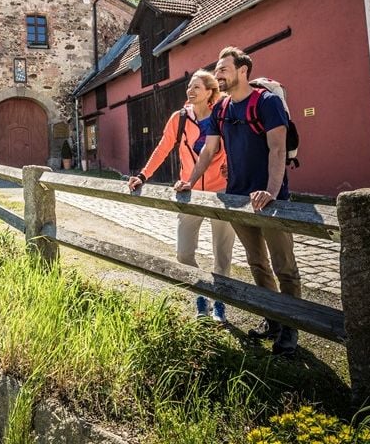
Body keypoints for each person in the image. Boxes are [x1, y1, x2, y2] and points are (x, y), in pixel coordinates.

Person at [178, 47, 301, 356]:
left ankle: (292, 327)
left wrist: (270, 191)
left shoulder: (267, 102)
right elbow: (208, 150)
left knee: (284, 266)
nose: (217, 74)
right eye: (216, 70)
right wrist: (189, 181)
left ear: (243, 70)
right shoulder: (221, 109)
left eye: (223, 69)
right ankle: (273, 320)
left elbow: (277, 149)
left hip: (272, 201)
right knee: (257, 262)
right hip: (236, 199)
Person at [127, 70, 236, 322]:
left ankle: (220, 303)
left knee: (222, 254)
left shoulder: (222, 116)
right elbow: (162, 148)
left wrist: (233, 169)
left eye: (196, 86)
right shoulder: (180, 118)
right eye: (189, 86)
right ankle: (201, 294)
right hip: (189, 192)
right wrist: (143, 175)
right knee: (183, 252)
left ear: (209, 91)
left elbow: (236, 146)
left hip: (221, 192)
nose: (190, 90)